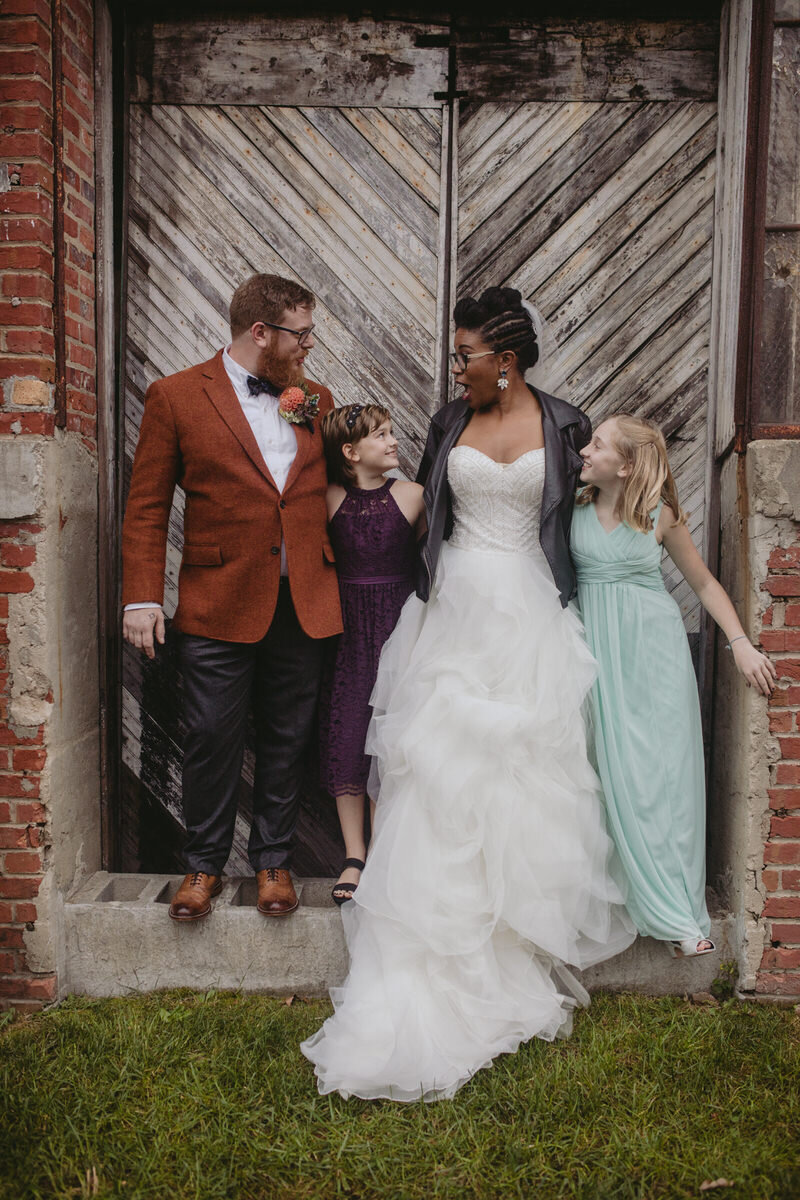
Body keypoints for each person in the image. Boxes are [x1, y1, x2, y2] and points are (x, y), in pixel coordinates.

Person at [301, 287, 635, 1102]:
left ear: (506, 363)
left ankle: (511, 933)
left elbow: (593, 506)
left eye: (466, 355)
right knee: (440, 771)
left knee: (523, 771)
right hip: (451, 611)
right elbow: (421, 510)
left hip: (529, 609)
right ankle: (433, 932)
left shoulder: (564, 424)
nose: (456, 368)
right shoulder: (453, 423)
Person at [122, 274, 342, 921]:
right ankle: (203, 867)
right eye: (300, 334)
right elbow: (146, 508)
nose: (310, 345)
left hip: (303, 599)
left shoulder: (315, 398)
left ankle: (274, 861)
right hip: (217, 601)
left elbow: (330, 485)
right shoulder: (176, 397)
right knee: (210, 736)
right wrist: (141, 596)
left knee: (287, 737)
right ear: (260, 333)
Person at [572, 414, 776, 957]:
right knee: (601, 775)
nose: (584, 452)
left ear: (628, 464)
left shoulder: (659, 517)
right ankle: (608, 901)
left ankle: (678, 913)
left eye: (597, 445)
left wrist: (740, 643)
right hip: (593, 656)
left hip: (652, 657)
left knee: (663, 778)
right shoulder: (569, 510)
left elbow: (705, 583)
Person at [318, 404, 424, 905]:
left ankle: (385, 854)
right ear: (350, 451)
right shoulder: (328, 498)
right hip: (348, 631)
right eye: (380, 435)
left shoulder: (414, 496)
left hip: (398, 629)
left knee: (393, 741)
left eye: (390, 432)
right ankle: (354, 855)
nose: (392, 441)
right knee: (346, 738)